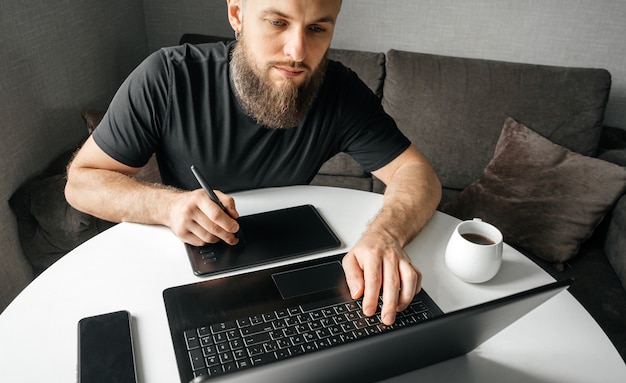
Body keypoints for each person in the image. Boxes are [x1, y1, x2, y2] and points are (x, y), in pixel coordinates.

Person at [65, 0, 442, 325]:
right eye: (278, 22)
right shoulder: (166, 77)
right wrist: (167, 205)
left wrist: (385, 235)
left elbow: (416, 172)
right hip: (193, 273)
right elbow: (81, 182)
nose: (297, 51)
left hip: (293, 271)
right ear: (237, 13)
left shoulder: (340, 92)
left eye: (317, 28)